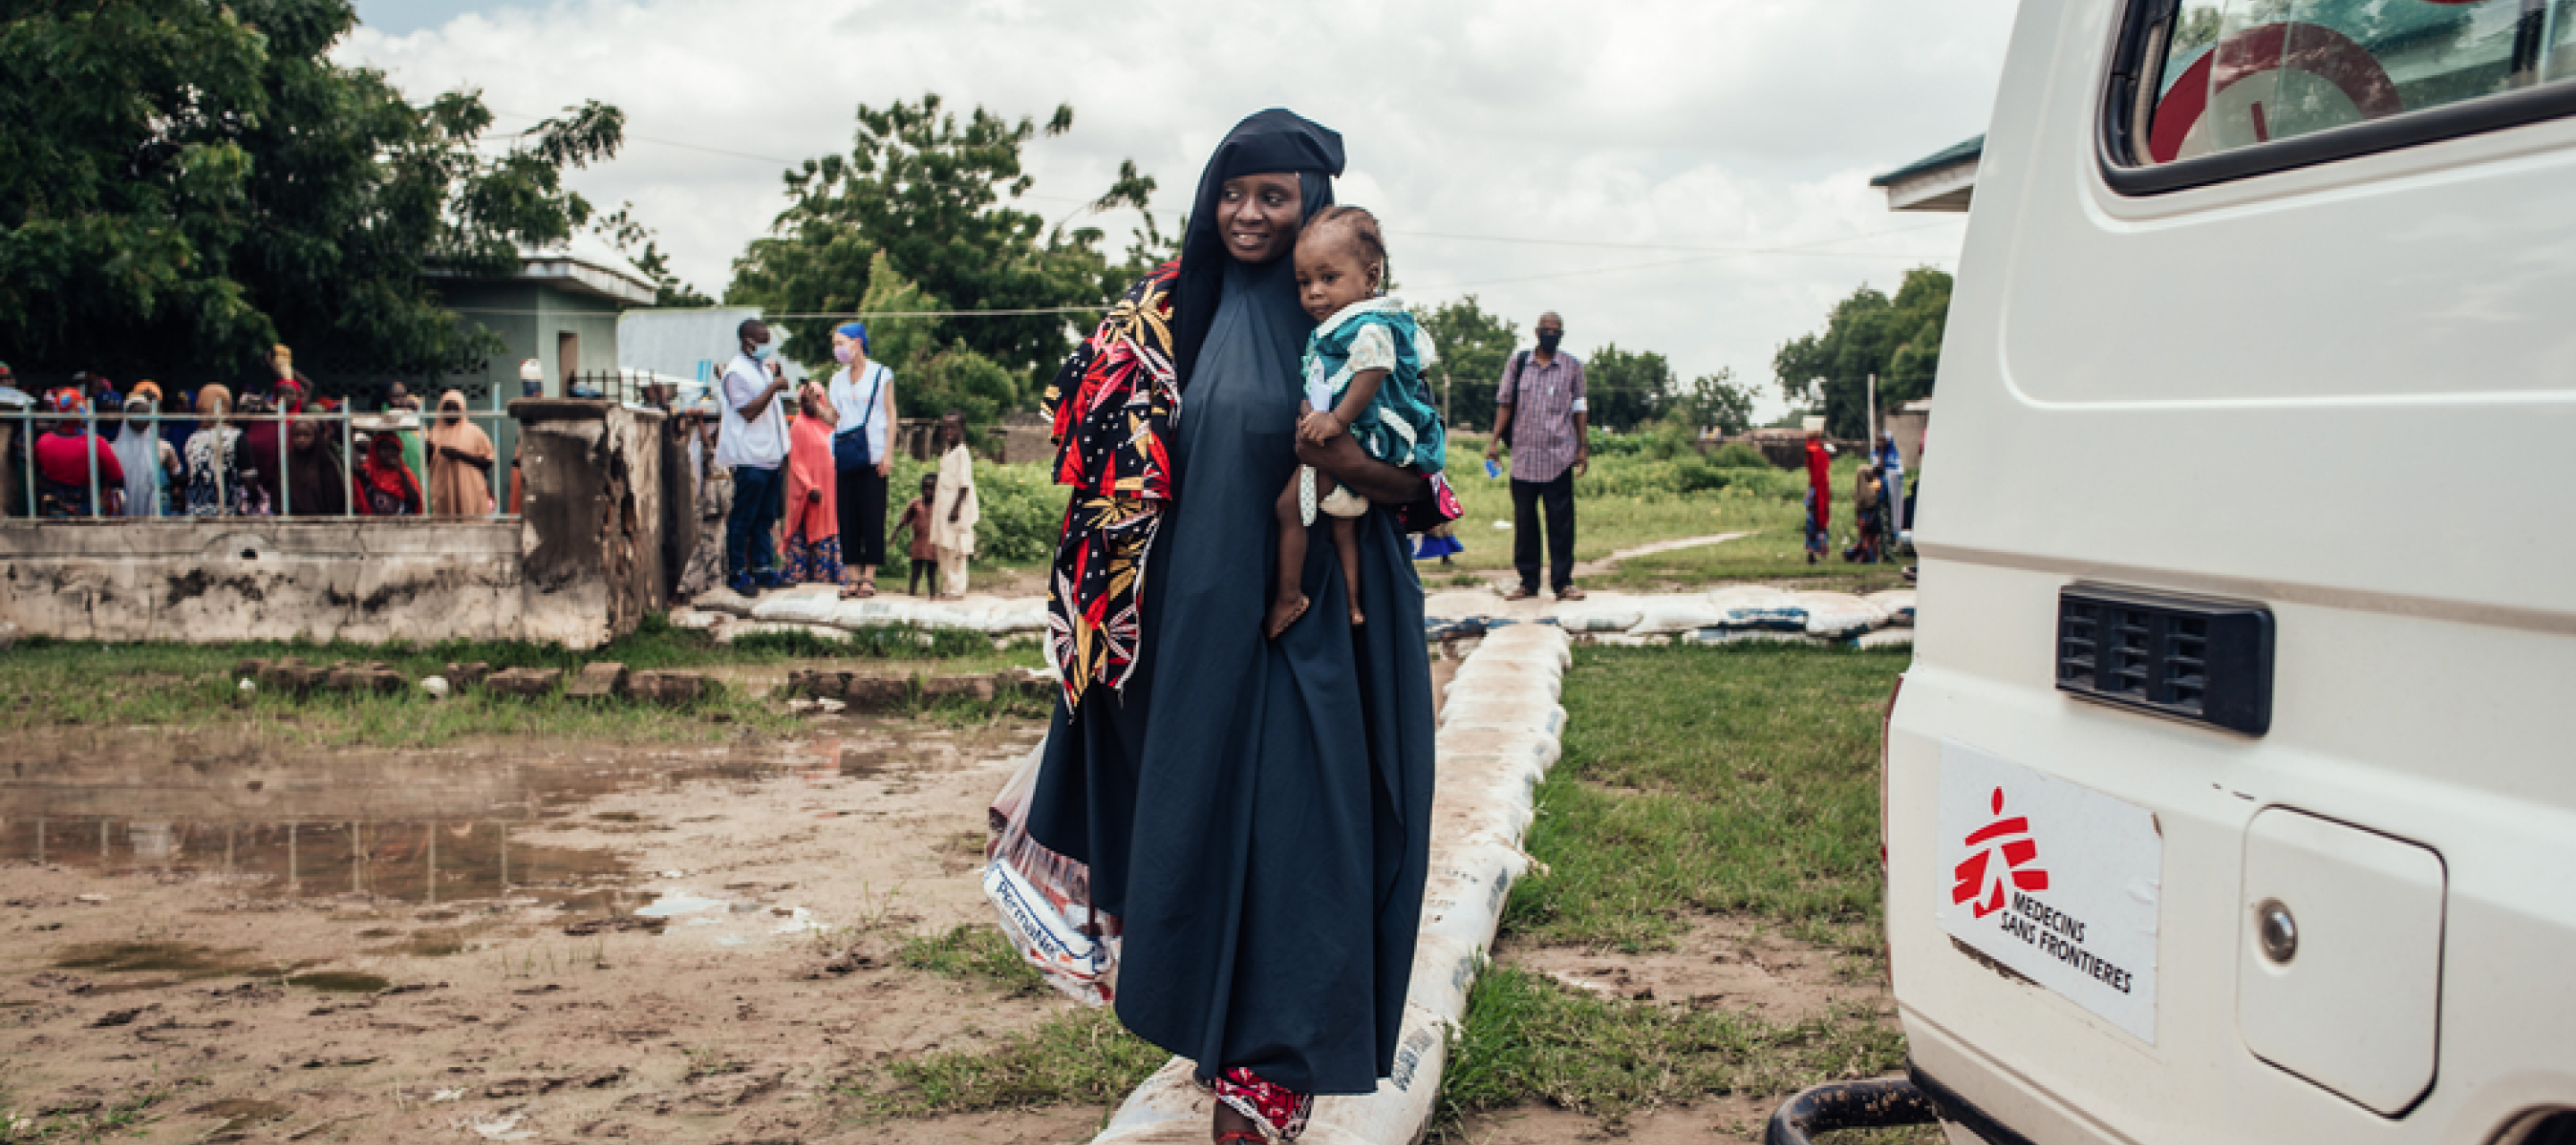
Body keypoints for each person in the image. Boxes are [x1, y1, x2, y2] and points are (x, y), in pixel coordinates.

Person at [1018, 109, 1434, 1145]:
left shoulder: (1351, 323)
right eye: (1232, 193)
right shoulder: (1161, 317)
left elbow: (1412, 479)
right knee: (1203, 820)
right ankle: (1215, 1025)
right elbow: (1098, 473)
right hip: (1188, 624)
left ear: (1312, 211)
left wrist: (1344, 465)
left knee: (1310, 825)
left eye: (1274, 198)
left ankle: (1274, 1066)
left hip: (1316, 623)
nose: (1249, 215)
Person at [1267, 205, 1443, 636]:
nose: (1313, 293)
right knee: (1344, 523)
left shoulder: (1366, 325)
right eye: (1304, 282)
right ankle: (1352, 604)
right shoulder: (1339, 325)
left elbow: (1373, 369)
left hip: (1365, 438)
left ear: (1370, 277)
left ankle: (1288, 596)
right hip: (1354, 437)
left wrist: (1335, 421)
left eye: (1329, 278)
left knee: (1289, 509)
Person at [1483, 310, 1589, 601]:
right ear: (1537, 332)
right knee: (1526, 525)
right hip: (1524, 459)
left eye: (1556, 331)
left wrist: (1582, 446)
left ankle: (1562, 583)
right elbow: (1504, 403)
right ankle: (1528, 582)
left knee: (1561, 525)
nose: (1550, 334)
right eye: (1546, 329)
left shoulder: (1573, 367)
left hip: (1559, 457)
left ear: (1561, 335)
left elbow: (1580, 408)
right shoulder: (1518, 365)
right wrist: (1493, 442)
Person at [716, 318, 793, 596]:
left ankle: (763, 569)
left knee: (765, 518)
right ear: (748, 342)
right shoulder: (735, 374)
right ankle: (737, 572)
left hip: (770, 457)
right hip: (750, 459)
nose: (766, 346)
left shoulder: (760, 368)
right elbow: (747, 411)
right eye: (762, 340)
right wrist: (773, 387)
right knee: (743, 518)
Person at [826, 321, 896, 599]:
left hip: (874, 453)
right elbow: (834, 416)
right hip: (845, 452)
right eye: (835, 345)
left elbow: (891, 414)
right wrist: (813, 406)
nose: (837, 349)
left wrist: (888, 452)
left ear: (857, 344)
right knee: (848, 515)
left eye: (841, 343)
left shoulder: (881, 374)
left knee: (872, 514)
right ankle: (852, 577)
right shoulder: (836, 380)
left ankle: (869, 577)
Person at [781, 384, 843, 585]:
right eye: (804, 398)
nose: (809, 402)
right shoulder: (798, 426)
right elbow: (796, 461)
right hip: (809, 491)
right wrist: (809, 486)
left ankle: (829, 577)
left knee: (829, 527)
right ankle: (801, 575)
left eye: (813, 397)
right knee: (807, 527)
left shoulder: (830, 426)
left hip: (831, 490)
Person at [32, 389, 126, 517]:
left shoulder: (43, 441)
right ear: (83, 409)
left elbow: (34, 473)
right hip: (91, 512)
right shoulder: (97, 442)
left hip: (55, 512)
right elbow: (118, 481)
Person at [928, 411, 979, 598]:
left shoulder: (962, 453)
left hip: (956, 510)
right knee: (944, 548)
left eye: (953, 427)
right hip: (943, 509)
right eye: (945, 427)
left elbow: (965, 484)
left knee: (956, 550)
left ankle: (957, 588)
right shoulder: (947, 452)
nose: (948, 431)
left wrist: (956, 508)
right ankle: (948, 587)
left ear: (962, 429)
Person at [424, 390, 496, 516]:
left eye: (455, 408)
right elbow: (427, 464)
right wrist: (427, 451)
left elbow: (488, 462)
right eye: (447, 408)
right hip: (443, 490)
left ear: (462, 409)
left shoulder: (475, 432)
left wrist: (459, 455)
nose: (451, 411)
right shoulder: (434, 433)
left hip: (469, 489)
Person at [240, 377, 304, 515]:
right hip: (257, 488)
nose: (286, 397)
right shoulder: (260, 421)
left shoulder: (305, 423)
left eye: (291, 393)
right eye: (282, 393)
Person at [112, 394, 179, 518]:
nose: (141, 417)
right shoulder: (113, 449)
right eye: (136, 412)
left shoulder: (164, 447)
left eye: (145, 412)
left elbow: (176, 475)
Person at [182, 386, 244, 517]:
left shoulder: (192, 439)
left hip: (197, 511)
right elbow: (249, 478)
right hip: (229, 510)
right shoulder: (237, 437)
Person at [284, 414, 348, 517]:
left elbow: (336, 499)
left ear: (315, 436)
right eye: (297, 435)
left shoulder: (325, 463)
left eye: (306, 435)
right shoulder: (286, 463)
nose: (301, 439)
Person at [354, 431, 424, 516]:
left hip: (403, 524)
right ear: (376, 450)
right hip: (374, 524)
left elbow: (415, 500)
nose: (389, 452)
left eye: (393, 448)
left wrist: (401, 472)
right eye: (384, 448)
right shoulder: (367, 471)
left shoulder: (405, 472)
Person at [894, 472, 938, 597]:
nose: (927, 491)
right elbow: (905, 520)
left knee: (931, 572)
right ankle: (912, 594)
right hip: (918, 542)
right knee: (916, 570)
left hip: (933, 544)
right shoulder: (915, 503)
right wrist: (895, 532)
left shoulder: (939, 505)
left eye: (931, 488)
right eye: (925, 487)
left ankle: (932, 595)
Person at [1803, 421, 1833, 564]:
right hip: (1817, 490)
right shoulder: (1816, 451)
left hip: (1817, 489)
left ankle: (1813, 554)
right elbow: (1820, 472)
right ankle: (1812, 555)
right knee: (1814, 522)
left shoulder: (1814, 449)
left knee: (1814, 522)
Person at [1876, 430, 1906, 553]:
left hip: (1894, 491)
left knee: (1894, 514)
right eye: (1879, 440)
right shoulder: (1876, 454)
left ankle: (1894, 541)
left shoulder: (1894, 454)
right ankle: (1884, 546)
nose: (1880, 443)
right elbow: (1878, 468)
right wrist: (1881, 452)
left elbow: (1899, 471)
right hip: (1881, 491)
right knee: (1883, 518)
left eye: (1883, 440)